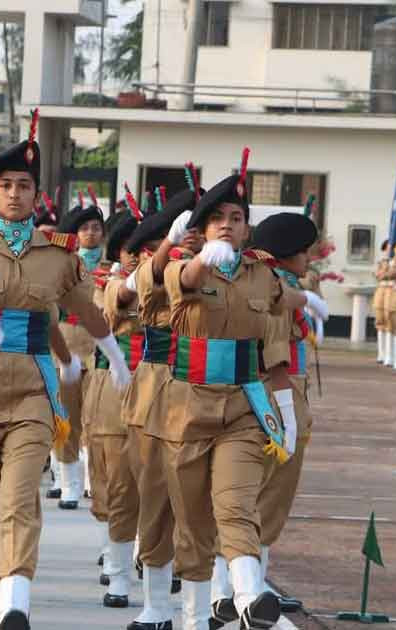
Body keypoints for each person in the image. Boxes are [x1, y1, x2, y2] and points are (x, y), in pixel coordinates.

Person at [0, 112, 132, 630]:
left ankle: (15, 602)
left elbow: (89, 310)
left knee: (20, 494)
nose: (15, 194)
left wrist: (114, 356)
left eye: (24, 186)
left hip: (32, 389)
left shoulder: (58, 255)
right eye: (6, 185)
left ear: (37, 195)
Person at [154, 153, 307, 630]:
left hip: (243, 406)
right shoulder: (184, 266)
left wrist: (309, 300)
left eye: (236, 219)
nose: (227, 225)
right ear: (202, 228)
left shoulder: (262, 272)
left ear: (247, 230)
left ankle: (248, 593)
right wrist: (201, 259)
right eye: (217, 218)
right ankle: (196, 617)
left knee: (237, 503)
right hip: (187, 407)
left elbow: (288, 299)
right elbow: (181, 282)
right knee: (194, 523)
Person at [235, 212, 327, 618]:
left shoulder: (284, 285)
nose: (309, 259)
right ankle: (247, 589)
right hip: (277, 393)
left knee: (270, 496)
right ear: (287, 255)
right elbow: (275, 358)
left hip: (288, 389)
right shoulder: (277, 292)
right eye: (304, 252)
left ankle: (258, 583)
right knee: (266, 494)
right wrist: (289, 414)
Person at [119, 184, 201, 630]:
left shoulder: (229, 267)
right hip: (156, 393)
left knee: (201, 504)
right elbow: (127, 294)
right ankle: (156, 604)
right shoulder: (153, 268)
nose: (193, 238)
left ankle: (201, 607)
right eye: (185, 229)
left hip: (210, 392)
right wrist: (169, 247)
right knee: (155, 498)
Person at [82, 205, 141, 610]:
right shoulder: (105, 282)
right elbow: (113, 304)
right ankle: (118, 570)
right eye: (132, 248)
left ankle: (157, 565)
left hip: (164, 386)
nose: (139, 254)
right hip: (114, 388)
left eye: (149, 248)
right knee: (113, 485)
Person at [52, 194, 109, 510]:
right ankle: (68, 482)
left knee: (94, 416)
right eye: (85, 228)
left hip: (97, 349)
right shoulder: (61, 267)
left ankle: (89, 480)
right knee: (67, 416)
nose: (91, 233)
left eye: (96, 227)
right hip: (66, 346)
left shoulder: (109, 267)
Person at [372, 240, 390, 364]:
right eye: (387, 248)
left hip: (392, 291)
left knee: (391, 323)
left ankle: (389, 354)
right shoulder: (381, 263)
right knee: (380, 321)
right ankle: (381, 353)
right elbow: (378, 275)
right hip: (382, 290)